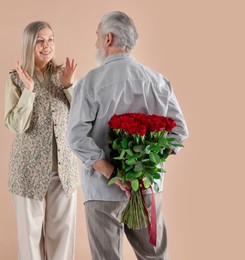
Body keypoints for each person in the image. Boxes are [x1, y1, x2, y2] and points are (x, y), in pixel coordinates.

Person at [67, 11, 189, 260]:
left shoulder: (90, 83)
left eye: (97, 35)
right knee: (154, 257)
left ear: (108, 38)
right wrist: (146, 164)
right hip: (146, 189)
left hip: (102, 192)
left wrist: (111, 173)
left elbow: (76, 137)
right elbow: (179, 132)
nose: (96, 41)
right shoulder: (157, 81)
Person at [4, 21, 80, 260]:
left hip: (64, 170)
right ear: (30, 44)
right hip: (28, 169)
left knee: (63, 233)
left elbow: (82, 119)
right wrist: (28, 91)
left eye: (50, 39)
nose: (47, 46)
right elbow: (16, 125)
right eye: (40, 40)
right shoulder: (16, 79)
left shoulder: (63, 75)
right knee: (30, 236)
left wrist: (70, 87)